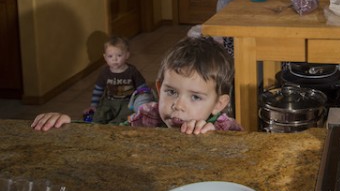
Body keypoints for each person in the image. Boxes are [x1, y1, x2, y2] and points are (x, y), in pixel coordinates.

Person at [32, 37, 242, 133]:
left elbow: (245, 158)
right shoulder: (147, 117)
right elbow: (108, 135)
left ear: (218, 104)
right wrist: (69, 126)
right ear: (159, 89)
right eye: (171, 92)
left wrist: (214, 140)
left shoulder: (224, 128)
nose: (178, 105)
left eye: (195, 97)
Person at [84, 36, 148, 124]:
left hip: (127, 103)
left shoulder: (132, 71)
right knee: (99, 116)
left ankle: (114, 125)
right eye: (110, 56)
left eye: (119, 55)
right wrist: (93, 106)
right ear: (105, 57)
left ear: (127, 55)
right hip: (109, 102)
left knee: (124, 118)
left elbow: (142, 87)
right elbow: (98, 90)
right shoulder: (105, 72)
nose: (114, 59)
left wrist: (144, 101)